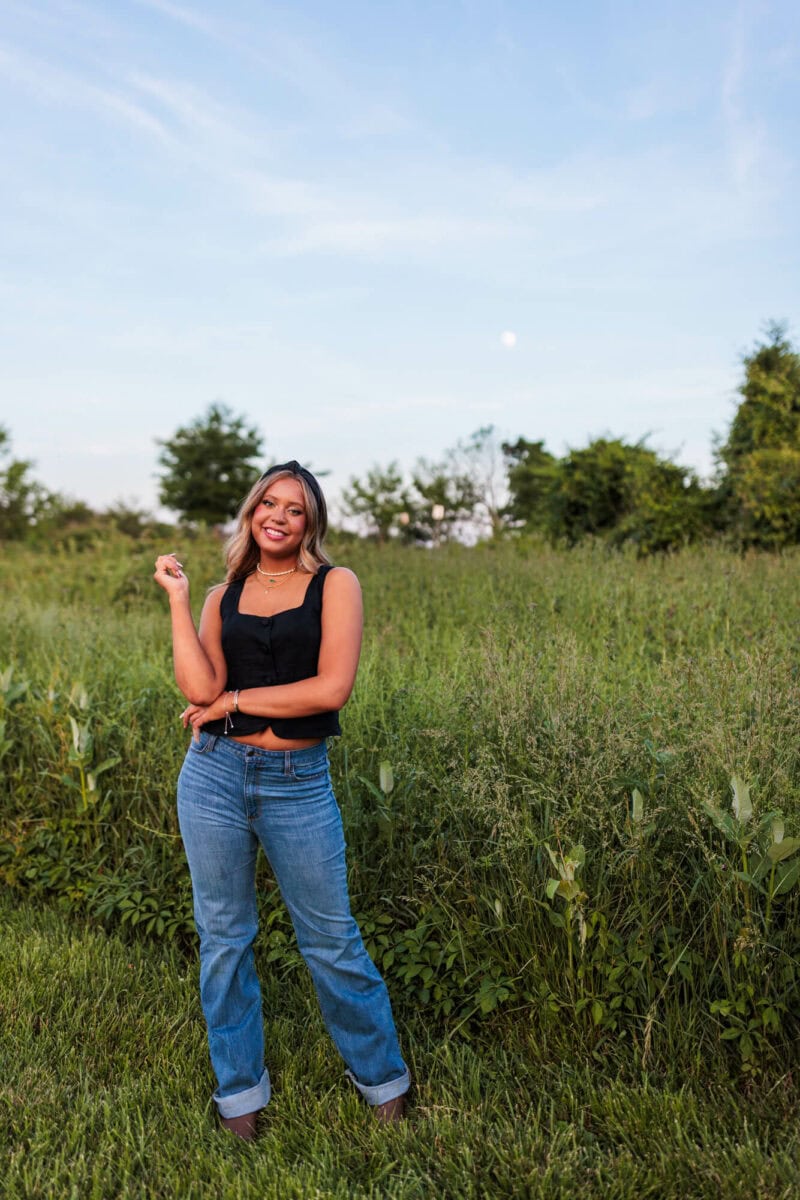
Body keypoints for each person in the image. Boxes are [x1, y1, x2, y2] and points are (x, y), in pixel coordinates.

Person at [153, 461, 409, 1140]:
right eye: (269, 502)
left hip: (297, 783)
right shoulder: (221, 595)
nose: (279, 516)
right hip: (212, 775)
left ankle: (383, 1080)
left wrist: (234, 700)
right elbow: (198, 687)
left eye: (295, 509)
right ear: (250, 512)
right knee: (224, 938)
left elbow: (330, 691)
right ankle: (239, 1094)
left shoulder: (336, 585)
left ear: (310, 523)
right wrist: (179, 601)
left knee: (331, 939)